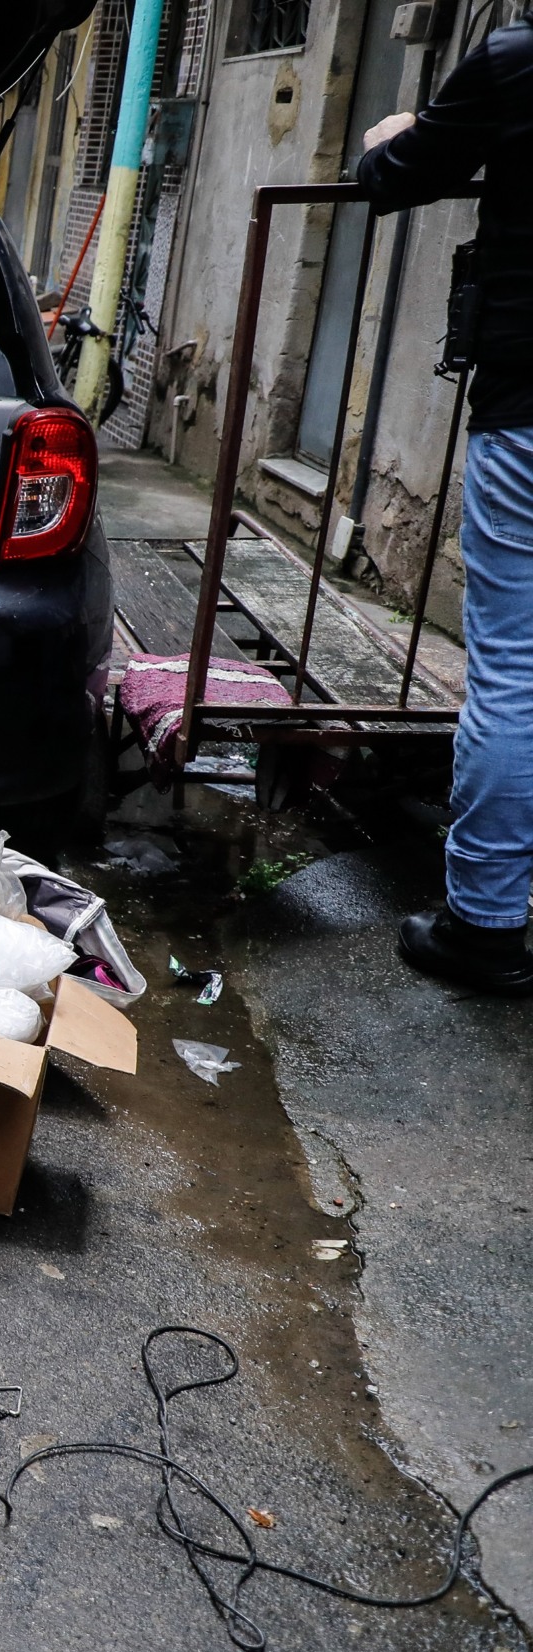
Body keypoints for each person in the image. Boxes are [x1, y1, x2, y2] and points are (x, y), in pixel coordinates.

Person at [358, 19, 533, 995]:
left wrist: (391, 133)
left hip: (528, 412)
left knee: (513, 676)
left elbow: (394, 175)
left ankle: (485, 926)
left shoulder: (513, 60)